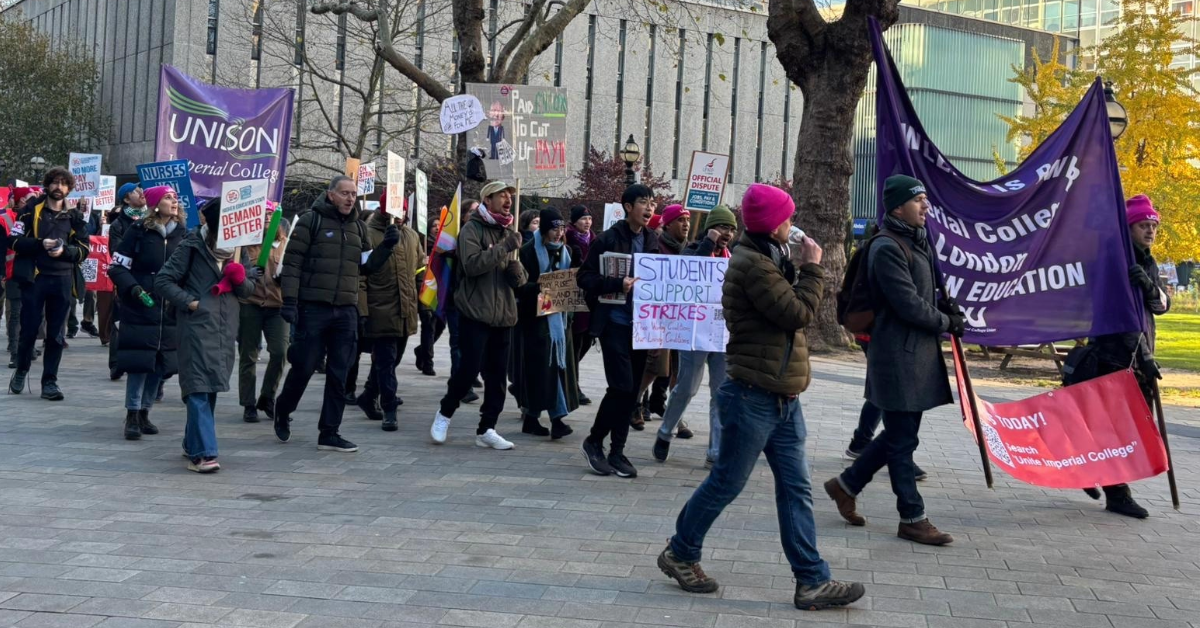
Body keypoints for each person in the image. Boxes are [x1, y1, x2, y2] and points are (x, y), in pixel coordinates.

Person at [657, 183, 865, 610]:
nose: (793, 225)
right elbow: (797, 313)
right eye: (787, 217)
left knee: (796, 489)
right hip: (753, 395)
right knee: (726, 483)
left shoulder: (767, 257)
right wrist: (812, 268)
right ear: (773, 224)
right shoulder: (752, 264)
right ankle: (680, 551)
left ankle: (812, 581)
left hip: (782, 395)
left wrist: (794, 264)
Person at [824, 174, 959, 546]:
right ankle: (912, 517)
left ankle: (846, 484)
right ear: (898, 206)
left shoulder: (917, 241)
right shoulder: (886, 246)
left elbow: (926, 293)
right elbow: (906, 303)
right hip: (896, 354)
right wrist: (946, 321)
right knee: (902, 441)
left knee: (902, 435)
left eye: (925, 199)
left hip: (914, 354)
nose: (926, 206)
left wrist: (947, 307)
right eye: (919, 200)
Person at [272, 176, 397, 452]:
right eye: (344, 193)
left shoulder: (358, 227)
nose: (350, 198)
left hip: (346, 311)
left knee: (339, 372)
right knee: (304, 366)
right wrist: (290, 302)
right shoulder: (310, 221)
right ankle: (282, 409)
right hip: (313, 308)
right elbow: (292, 264)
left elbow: (367, 267)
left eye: (353, 194)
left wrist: (386, 248)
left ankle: (329, 431)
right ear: (330, 195)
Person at [1067, 195, 1170, 519]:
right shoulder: (1114, 260)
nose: (1150, 230)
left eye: (1153, 225)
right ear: (1129, 228)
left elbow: (1159, 307)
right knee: (1119, 430)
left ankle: (1087, 469)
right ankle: (1117, 493)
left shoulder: (1147, 261)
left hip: (1139, 357)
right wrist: (1144, 356)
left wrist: (1151, 289)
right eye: (1144, 225)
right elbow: (1123, 317)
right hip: (1116, 357)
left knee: (1130, 429)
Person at [155, 199, 259, 473]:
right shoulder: (191, 246)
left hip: (225, 328)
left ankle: (192, 443)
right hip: (196, 326)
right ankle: (203, 453)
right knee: (198, 386)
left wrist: (239, 279)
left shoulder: (238, 250)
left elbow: (249, 290)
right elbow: (163, 280)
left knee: (210, 387)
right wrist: (190, 302)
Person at [430, 181, 526, 449]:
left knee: (497, 377)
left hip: (504, 314)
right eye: (502, 196)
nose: (508, 200)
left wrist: (517, 272)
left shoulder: (508, 230)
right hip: (475, 312)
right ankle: (445, 413)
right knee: (468, 369)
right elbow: (472, 265)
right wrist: (503, 248)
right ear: (487, 199)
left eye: (510, 196)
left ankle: (487, 428)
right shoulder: (472, 229)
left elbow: (519, 277)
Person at [576, 184, 658, 478]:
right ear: (627, 207)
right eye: (643, 203)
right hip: (614, 323)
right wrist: (615, 284)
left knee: (631, 390)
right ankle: (594, 440)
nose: (649, 209)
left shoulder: (652, 239)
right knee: (621, 386)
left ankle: (617, 451)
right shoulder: (608, 239)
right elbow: (584, 277)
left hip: (642, 326)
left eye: (652, 203)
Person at [653, 205, 737, 466]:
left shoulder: (730, 257)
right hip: (694, 334)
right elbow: (692, 273)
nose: (727, 233)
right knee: (687, 387)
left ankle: (715, 452)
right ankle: (665, 431)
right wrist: (708, 244)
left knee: (721, 392)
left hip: (721, 335)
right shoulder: (691, 249)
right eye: (723, 227)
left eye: (732, 229)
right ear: (710, 227)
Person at [108, 186, 185, 440]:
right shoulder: (138, 231)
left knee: (161, 364)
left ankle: (145, 411)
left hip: (170, 310)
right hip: (142, 306)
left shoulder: (184, 235)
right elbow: (117, 267)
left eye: (174, 198)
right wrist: (134, 289)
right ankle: (132, 413)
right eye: (167, 197)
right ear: (154, 203)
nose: (173, 202)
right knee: (140, 362)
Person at [8, 168, 89, 400]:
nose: (59, 187)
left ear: (69, 189)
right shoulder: (29, 212)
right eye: (55, 182)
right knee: (30, 330)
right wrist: (40, 243)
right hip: (35, 279)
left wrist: (65, 250)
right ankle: (22, 369)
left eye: (64, 184)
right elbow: (13, 241)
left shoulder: (75, 217)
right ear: (47, 185)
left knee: (56, 335)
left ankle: (50, 382)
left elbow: (85, 249)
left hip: (62, 280)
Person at [357, 192, 425, 432]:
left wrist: (423, 299)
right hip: (379, 309)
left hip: (405, 309)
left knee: (393, 361)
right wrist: (363, 310)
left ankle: (367, 395)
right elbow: (361, 276)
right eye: (398, 209)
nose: (402, 214)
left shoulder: (411, 236)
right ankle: (389, 409)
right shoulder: (366, 233)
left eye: (405, 210)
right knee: (385, 362)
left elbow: (419, 269)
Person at [513, 208, 578, 439]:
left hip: (559, 322)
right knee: (541, 371)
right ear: (543, 230)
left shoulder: (566, 252)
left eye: (562, 228)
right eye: (553, 228)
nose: (558, 233)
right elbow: (520, 287)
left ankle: (547, 418)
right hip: (535, 323)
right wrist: (544, 286)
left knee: (556, 370)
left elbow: (570, 285)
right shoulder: (527, 252)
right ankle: (545, 418)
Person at [635, 203, 689, 432]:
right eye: (680, 220)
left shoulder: (689, 248)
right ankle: (634, 402)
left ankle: (675, 414)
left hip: (683, 316)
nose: (686, 225)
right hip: (658, 317)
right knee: (656, 364)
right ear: (667, 224)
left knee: (679, 370)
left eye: (687, 220)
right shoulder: (655, 246)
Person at [237, 210, 289, 424]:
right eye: (263, 213)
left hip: (277, 305)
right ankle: (248, 404)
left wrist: (285, 277)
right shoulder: (244, 243)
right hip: (250, 304)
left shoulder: (285, 241)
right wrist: (245, 273)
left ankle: (267, 396)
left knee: (279, 352)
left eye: (271, 214)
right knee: (248, 355)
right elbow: (232, 270)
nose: (267, 217)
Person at [106, 183, 148, 380]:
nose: (141, 193)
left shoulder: (151, 219)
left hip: (149, 278)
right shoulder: (119, 224)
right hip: (127, 278)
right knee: (121, 319)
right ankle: (116, 362)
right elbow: (117, 252)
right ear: (125, 199)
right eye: (135, 191)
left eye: (141, 190)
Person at [565, 205, 594, 405]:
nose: (587, 222)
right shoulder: (567, 237)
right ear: (574, 221)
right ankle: (573, 385)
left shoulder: (594, 239)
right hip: (572, 295)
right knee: (574, 343)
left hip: (590, 297)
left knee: (585, 341)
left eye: (590, 218)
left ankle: (569, 377)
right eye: (584, 219)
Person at [414, 213, 444, 377]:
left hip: (440, 290)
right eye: (434, 225)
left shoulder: (443, 246)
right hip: (425, 287)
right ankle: (428, 362)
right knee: (429, 325)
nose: (437, 228)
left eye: (440, 225)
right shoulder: (422, 244)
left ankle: (422, 350)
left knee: (440, 324)